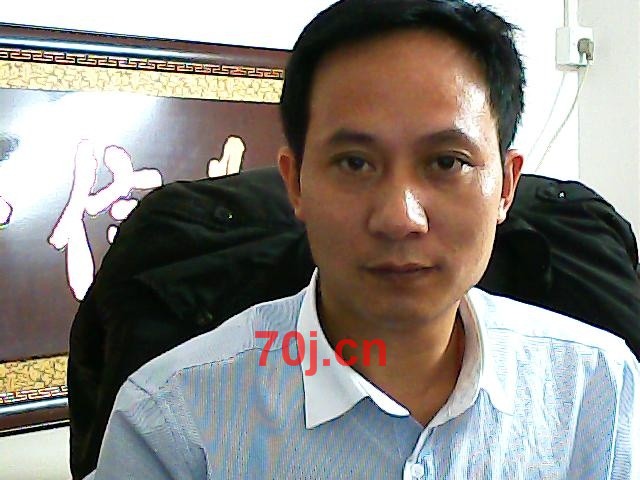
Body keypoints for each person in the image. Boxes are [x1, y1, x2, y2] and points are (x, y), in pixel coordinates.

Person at [88, 0, 639, 478]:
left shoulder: (596, 388)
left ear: (507, 187)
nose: (401, 218)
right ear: (295, 184)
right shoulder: (173, 420)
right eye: (355, 163)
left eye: (447, 162)